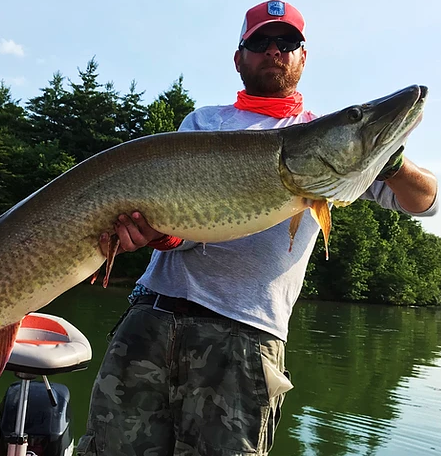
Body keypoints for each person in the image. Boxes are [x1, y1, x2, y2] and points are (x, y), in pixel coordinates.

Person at [76, 2, 438, 455]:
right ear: (239, 57)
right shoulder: (204, 124)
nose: (274, 51)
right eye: (260, 42)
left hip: (245, 339)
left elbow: (427, 202)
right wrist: (157, 235)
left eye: (287, 43)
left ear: (303, 57)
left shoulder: (328, 146)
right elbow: (181, 226)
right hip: (152, 318)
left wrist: (396, 163)